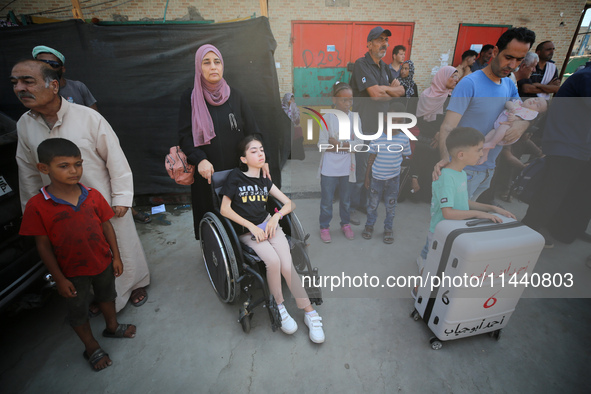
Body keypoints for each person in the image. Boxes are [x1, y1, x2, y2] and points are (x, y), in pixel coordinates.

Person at [11, 59, 150, 311]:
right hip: (61, 209)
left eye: (27, 81)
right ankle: (103, 298)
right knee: (81, 252)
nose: (20, 88)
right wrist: (33, 213)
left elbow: (116, 159)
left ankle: (134, 284)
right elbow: (28, 172)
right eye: (15, 83)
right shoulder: (24, 124)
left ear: (53, 86)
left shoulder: (88, 117)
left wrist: (121, 198)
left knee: (121, 244)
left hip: (103, 201)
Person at [19, 138, 136, 371]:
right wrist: (59, 279)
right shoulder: (37, 205)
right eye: (64, 166)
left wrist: (116, 257)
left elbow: (106, 226)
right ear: (44, 168)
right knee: (78, 310)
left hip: (102, 262)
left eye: (78, 164)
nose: (74, 171)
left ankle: (112, 327)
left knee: (107, 295)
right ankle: (91, 346)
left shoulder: (92, 195)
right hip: (71, 272)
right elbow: (42, 246)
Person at [220, 135, 325, 344]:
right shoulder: (235, 177)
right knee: (273, 262)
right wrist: (250, 226)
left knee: (287, 265)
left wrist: (276, 216)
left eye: (261, 149)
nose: (260, 153)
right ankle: (279, 305)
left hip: (269, 224)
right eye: (253, 151)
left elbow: (289, 204)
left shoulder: (264, 179)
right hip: (247, 231)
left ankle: (309, 312)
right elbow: (224, 209)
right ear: (243, 159)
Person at [434, 27, 536, 201]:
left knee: (463, 221)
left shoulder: (509, 85)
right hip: (463, 169)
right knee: (448, 222)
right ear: (495, 52)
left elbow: (525, 113)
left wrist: (522, 125)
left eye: (518, 60)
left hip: (488, 168)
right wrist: (446, 161)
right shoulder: (469, 83)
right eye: (508, 57)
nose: (512, 65)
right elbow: (448, 126)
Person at [178, 44, 267, 240]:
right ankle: (214, 254)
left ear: (222, 65)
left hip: (238, 173)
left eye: (217, 62)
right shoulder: (190, 98)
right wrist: (199, 159)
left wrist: (260, 157)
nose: (213, 67)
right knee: (212, 218)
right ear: (198, 68)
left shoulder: (236, 96)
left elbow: (252, 132)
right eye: (206, 62)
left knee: (241, 215)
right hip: (207, 174)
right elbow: (185, 136)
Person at [418, 127, 516, 268]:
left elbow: (464, 202)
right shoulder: (447, 177)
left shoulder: (461, 174)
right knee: (432, 262)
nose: (482, 154)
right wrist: (479, 214)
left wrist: (492, 208)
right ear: (461, 155)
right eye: (478, 150)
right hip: (441, 231)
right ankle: (422, 269)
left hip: (453, 228)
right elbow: (448, 212)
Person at [522, 61, 591, 247]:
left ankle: (566, 228)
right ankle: (529, 231)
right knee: (552, 192)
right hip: (568, 146)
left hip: (578, 146)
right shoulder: (586, 76)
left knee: (575, 192)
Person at [349, 27, 405, 226]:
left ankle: (364, 203)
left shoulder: (384, 67)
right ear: (369, 44)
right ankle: (351, 208)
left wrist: (387, 89)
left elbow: (402, 90)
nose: (384, 44)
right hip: (364, 125)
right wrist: (392, 89)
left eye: (386, 40)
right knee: (360, 167)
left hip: (381, 128)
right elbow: (375, 94)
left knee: (371, 169)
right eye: (379, 40)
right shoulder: (361, 64)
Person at [317, 82, 362, 242]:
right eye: (344, 100)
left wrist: (338, 144)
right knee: (327, 201)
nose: (348, 104)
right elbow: (321, 144)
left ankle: (345, 224)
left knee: (346, 200)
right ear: (334, 100)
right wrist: (346, 145)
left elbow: (360, 144)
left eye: (350, 100)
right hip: (329, 168)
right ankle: (324, 226)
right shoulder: (326, 118)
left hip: (346, 168)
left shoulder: (354, 119)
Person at [361, 113, 412, 244]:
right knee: (372, 205)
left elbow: (406, 158)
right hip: (376, 178)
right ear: (385, 119)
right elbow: (371, 159)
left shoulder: (404, 139)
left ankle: (388, 228)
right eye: (393, 120)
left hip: (394, 180)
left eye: (399, 121)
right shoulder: (377, 137)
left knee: (391, 206)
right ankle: (369, 225)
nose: (395, 123)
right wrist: (367, 177)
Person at [411, 66, 459, 202]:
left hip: (445, 139)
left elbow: (454, 121)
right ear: (442, 77)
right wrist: (436, 134)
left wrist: (442, 137)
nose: (456, 80)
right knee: (422, 164)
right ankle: (416, 193)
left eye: (457, 77)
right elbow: (419, 120)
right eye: (453, 76)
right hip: (426, 136)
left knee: (437, 166)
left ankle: (430, 196)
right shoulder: (427, 95)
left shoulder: (452, 97)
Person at [478, 97, 548, 164]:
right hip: (496, 129)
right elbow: (507, 103)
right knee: (486, 138)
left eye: (537, 105)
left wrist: (514, 118)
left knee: (503, 127)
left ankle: (492, 143)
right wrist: (511, 107)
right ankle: (484, 153)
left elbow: (520, 119)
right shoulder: (518, 103)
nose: (534, 101)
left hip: (506, 132)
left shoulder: (528, 113)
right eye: (536, 99)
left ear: (536, 112)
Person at [32, 46, 98, 110]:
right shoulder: (33, 90)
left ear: (63, 69)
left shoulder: (78, 87)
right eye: (42, 64)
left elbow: (96, 117)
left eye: (53, 64)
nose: (48, 68)